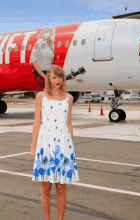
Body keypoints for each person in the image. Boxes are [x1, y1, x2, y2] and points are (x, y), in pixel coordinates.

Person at [30, 65, 79, 220]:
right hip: (45, 144)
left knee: (61, 186)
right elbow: (37, 123)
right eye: (54, 77)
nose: (57, 81)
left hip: (63, 145)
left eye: (60, 77)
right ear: (48, 79)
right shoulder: (40, 97)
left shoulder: (69, 98)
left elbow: (69, 124)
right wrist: (33, 147)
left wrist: (71, 149)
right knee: (45, 186)